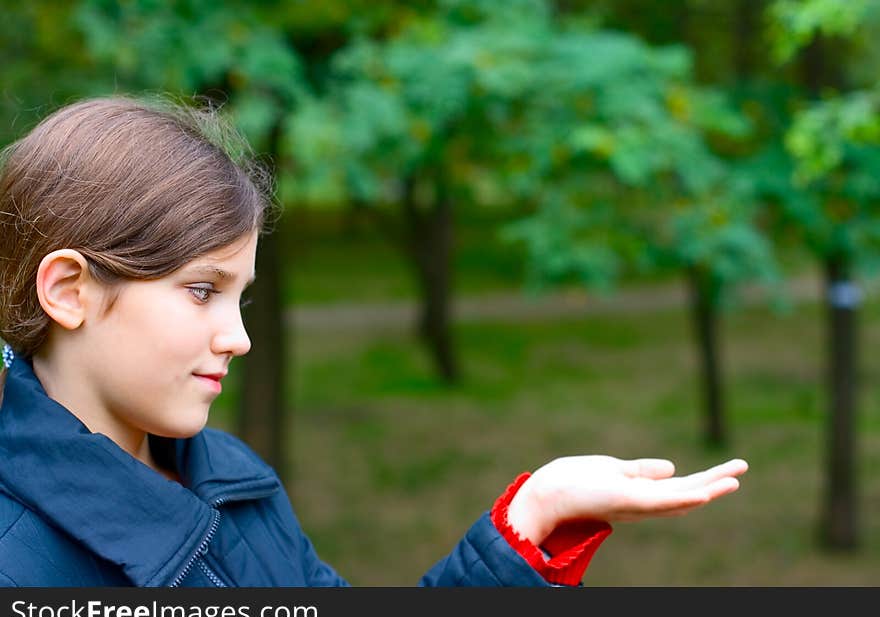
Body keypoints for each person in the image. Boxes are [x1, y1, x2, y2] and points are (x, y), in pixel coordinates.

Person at [0, 96, 748, 587]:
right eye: (201, 291)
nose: (239, 337)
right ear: (70, 290)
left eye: (241, 295)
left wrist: (532, 519)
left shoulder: (233, 479)